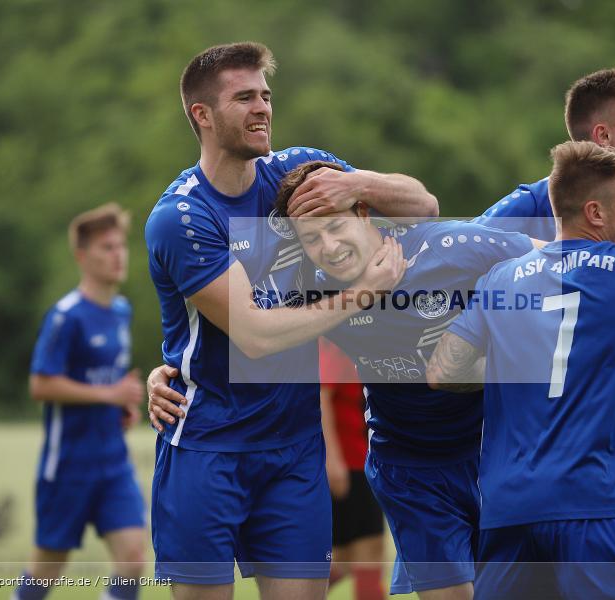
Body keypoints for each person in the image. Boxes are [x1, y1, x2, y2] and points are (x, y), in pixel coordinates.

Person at [150, 158, 541, 599]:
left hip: (498, 450)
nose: (330, 247)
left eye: (336, 228)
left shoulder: (453, 245)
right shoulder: (315, 289)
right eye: (312, 240)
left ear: (362, 212)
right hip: (410, 467)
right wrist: (166, 369)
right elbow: (250, 330)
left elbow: (556, 267)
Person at [144, 42, 436, 600]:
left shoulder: (291, 173)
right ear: (201, 115)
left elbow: (422, 204)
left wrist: (357, 184)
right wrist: (360, 296)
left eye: (266, 95)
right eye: (244, 97)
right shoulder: (182, 216)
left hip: (295, 451)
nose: (263, 108)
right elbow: (252, 335)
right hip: (207, 447)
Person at [427, 141, 615, 600]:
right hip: (590, 502)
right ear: (595, 212)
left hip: (506, 508)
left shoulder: (500, 277)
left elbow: (441, 371)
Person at [475, 68, 615, 534]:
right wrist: (553, 256)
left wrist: (537, 263)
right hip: (530, 433)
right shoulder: (531, 202)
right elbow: (458, 251)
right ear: (603, 135)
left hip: (605, 425)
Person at [14, 203, 146, 600]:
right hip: (67, 466)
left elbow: (105, 382)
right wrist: (109, 394)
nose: (118, 254)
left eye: (121, 245)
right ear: (82, 256)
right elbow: (41, 385)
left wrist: (122, 406)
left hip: (112, 462)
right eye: (107, 247)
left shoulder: (121, 311)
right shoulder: (65, 316)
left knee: (134, 560)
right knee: (45, 573)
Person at [318, 337, 386, 600]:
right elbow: (321, 396)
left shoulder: (353, 346)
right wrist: (332, 462)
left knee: (346, 558)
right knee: (369, 554)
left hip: (357, 462)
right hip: (349, 466)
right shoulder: (337, 344)